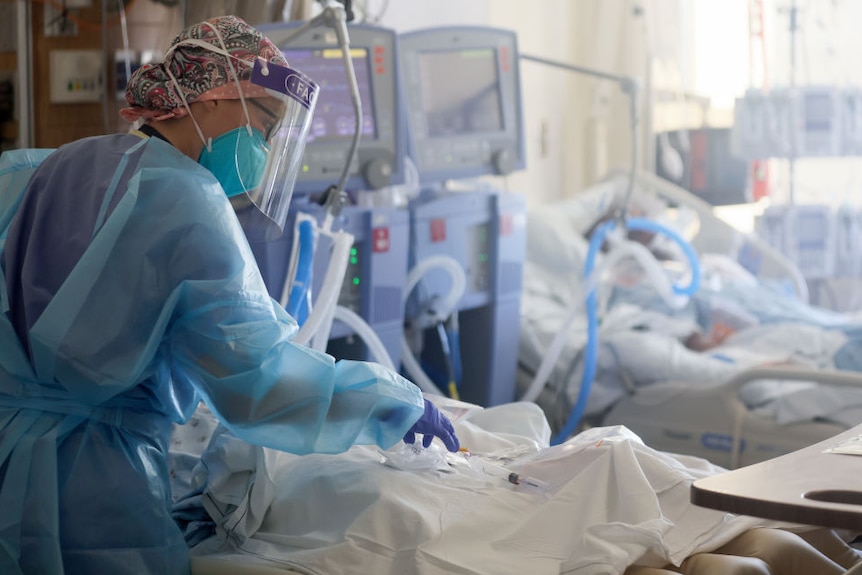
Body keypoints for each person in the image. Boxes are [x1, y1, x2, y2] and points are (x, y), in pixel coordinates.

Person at [0, 15, 458, 575]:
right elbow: (259, 384)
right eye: (266, 125)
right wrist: (389, 401)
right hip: (91, 494)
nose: (265, 148)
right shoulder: (187, 201)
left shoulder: (31, 169)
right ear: (215, 96)